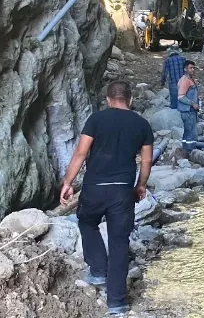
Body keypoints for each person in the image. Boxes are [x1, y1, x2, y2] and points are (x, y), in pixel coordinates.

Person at [60, 80, 154, 316]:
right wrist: (140, 186)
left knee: (87, 221)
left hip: (94, 187)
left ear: (108, 99)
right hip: (122, 190)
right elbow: (146, 161)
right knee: (119, 243)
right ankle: (117, 304)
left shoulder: (96, 120)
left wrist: (68, 183)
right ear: (130, 99)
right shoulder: (142, 125)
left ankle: (98, 269)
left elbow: (81, 153)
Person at [176, 60, 199, 142]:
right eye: (190, 68)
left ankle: (190, 150)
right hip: (187, 111)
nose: (192, 69)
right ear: (185, 69)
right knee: (190, 136)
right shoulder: (185, 80)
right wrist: (193, 103)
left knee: (190, 134)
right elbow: (181, 96)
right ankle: (190, 151)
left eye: (193, 68)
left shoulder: (189, 79)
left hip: (190, 111)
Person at [161, 45, 186, 110]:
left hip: (173, 83)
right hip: (183, 83)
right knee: (183, 100)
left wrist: (162, 82)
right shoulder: (183, 59)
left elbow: (164, 73)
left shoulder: (168, 60)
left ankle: (175, 114)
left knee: (174, 103)